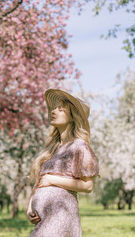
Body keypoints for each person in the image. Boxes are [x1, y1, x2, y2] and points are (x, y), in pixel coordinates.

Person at [27, 88, 100, 237]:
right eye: (54, 108)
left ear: (73, 116)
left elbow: (88, 186)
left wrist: (53, 179)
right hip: (44, 218)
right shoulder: (51, 149)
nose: (54, 111)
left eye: (61, 109)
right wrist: (30, 208)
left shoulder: (79, 147)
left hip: (61, 216)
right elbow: (40, 182)